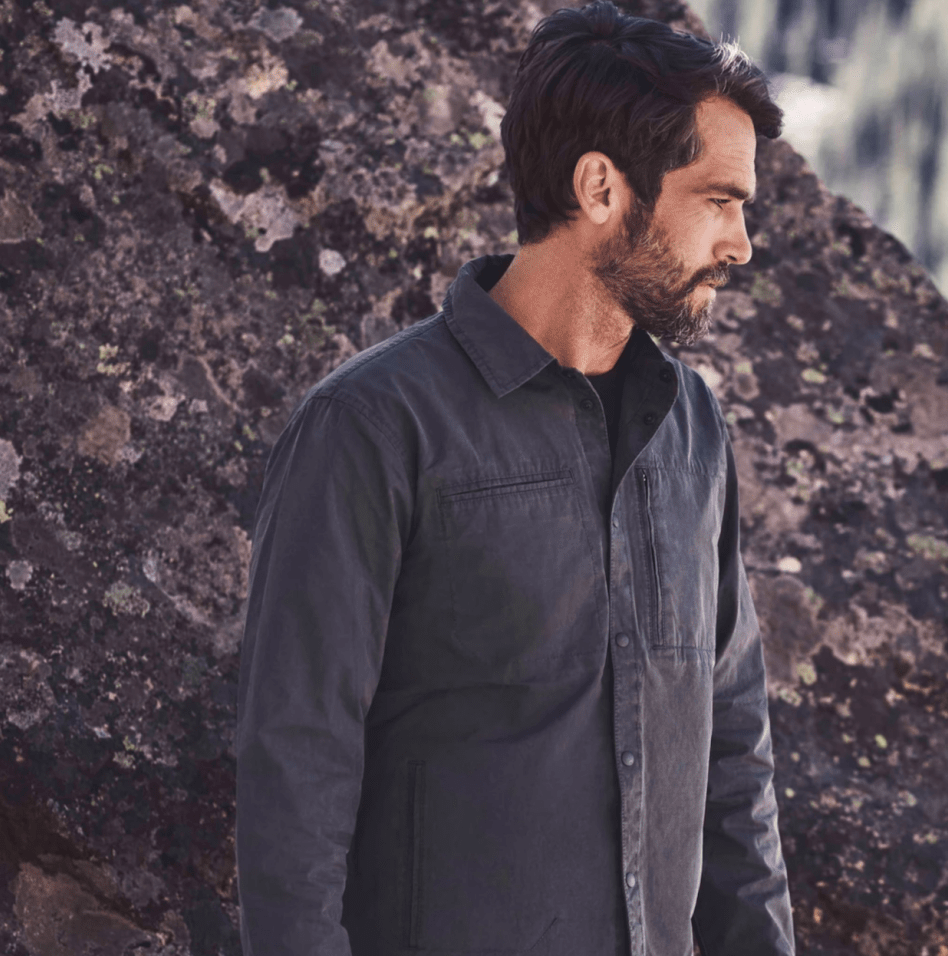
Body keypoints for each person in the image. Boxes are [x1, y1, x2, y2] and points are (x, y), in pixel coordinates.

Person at [231, 4, 794, 955]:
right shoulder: (372, 428)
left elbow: (732, 755)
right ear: (602, 186)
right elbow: (295, 773)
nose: (739, 244)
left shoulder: (691, 428)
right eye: (719, 200)